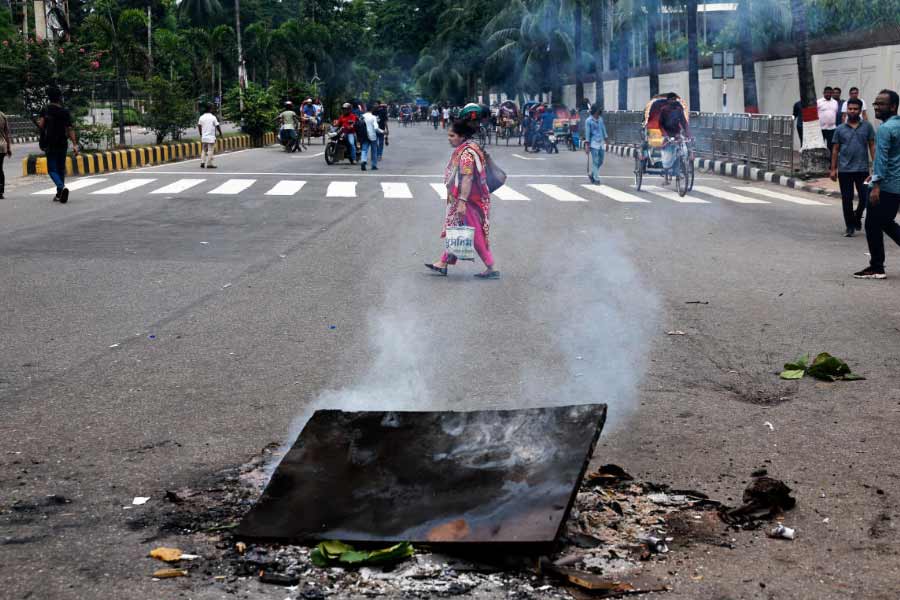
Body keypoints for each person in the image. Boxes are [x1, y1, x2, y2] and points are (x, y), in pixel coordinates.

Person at [425, 111, 499, 280]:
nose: (449, 138)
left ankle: (491, 267)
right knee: (458, 229)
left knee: (474, 234)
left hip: (470, 200)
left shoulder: (466, 154)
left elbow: (467, 177)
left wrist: (462, 202)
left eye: (452, 135)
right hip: (469, 198)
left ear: (461, 136)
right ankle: (443, 262)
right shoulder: (470, 148)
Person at [854, 90, 900, 279]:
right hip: (896, 184)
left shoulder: (885, 129)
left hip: (887, 186)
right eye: (875, 103)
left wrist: (876, 184)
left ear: (893, 106)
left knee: (873, 224)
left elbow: (881, 158)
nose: (876, 107)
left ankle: (876, 267)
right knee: (885, 223)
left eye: (881, 104)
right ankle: (876, 265)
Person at [830, 98, 875, 236]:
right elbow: (835, 149)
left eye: (855, 109)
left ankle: (857, 215)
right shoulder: (840, 129)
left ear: (860, 111)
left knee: (865, 197)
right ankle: (850, 226)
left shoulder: (867, 126)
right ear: (847, 110)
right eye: (850, 109)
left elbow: (872, 146)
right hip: (844, 170)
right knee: (847, 198)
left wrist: (875, 167)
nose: (852, 111)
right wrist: (833, 169)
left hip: (863, 170)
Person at [38, 86, 78, 204]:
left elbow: (41, 125)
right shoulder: (64, 112)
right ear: (59, 97)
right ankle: (59, 193)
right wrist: (75, 144)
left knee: (52, 169)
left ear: (49, 97)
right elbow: (70, 129)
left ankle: (61, 187)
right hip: (62, 142)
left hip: (51, 143)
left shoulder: (45, 109)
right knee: (61, 168)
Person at [659, 93, 690, 181]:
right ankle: (666, 173)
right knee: (667, 156)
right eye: (671, 99)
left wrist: (688, 135)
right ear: (668, 101)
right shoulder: (663, 110)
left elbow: (684, 123)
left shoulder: (679, 110)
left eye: (674, 99)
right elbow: (660, 124)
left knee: (683, 151)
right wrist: (665, 135)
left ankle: (680, 170)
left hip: (676, 134)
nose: (673, 101)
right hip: (666, 135)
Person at [584, 105, 608, 185]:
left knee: (600, 161)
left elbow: (603, 129)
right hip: (593, 143)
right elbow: (587, 133)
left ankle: (592, 174)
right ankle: (596, 179)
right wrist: (587, 145)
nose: (599, 112)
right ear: (594, 111)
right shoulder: (588, 121)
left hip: (601, 142)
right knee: (595, 161)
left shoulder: (600, 119)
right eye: (597, 110)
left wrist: (606, 139)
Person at [359, 106, 384, 171]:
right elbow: (376, 128)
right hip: (372, 136)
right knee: (374, 151)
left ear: (366, 109)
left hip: (364, 135)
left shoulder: (362, 116)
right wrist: (382, 131)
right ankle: (374, 165)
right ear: (372, 110)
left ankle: (363, 160)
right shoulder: (373, 117)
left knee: (364, 149)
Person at [198, 103, 223, 168]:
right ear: (210, 109)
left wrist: (201, 134)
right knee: (210, 150)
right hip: (211, 137)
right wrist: (220, 133)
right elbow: (217, 126)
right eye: (212, 108)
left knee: (204, 149)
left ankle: (202, 162)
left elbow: (199, 126)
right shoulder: (213, 117)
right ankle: (209, 164)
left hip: (204, 136)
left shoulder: (201, 117)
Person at [817, 86, 839, 152]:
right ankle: (821, 160)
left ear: (832, 93)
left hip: (832, 128)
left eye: (830, 93)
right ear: (823, 93)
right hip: (821, 128)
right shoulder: (818, 102)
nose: (828, 94)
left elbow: (835, 113)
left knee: (831, 146)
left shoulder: (835, 102)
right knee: (820, 146)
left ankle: (830, 160)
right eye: (826, 93)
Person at [0, 109, 11, 199]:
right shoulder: (3, 115)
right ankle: (0, 192)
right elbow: (7, 133)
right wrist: (9, 148)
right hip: (2, 146)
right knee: (0, 169)